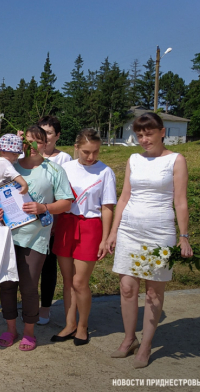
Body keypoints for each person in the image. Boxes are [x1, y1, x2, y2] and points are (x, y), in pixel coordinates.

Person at [106, 112, 192, 369]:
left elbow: (180, 201)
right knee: (127, 288)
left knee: (153, 291)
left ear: (162, 132)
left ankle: (146, 345)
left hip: (159, 232)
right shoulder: (133, 159)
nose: (144, 139)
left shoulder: (176, 160)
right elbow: (124, 197)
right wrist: (113, 232)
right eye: (140, 135)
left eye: (149, 133)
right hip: (129, 230)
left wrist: (184, 237)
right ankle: (129, 339)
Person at [0, 125, 73, 351]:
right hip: (7, 236)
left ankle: (29, 331)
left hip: (35, 238)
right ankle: (11, 329)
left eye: (39, 141)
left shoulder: (54, 170)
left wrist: (44, 207)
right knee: (7, 285)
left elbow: (66, 202)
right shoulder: (10, 165)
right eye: (29, 141)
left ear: (46, 143)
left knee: (28, 286)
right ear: (22, 143)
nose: (34, 146)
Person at [51, 129, 116, 346]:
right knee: (68, 280)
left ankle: (83, 326)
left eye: (95, 152)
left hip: (90, 226)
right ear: (76, 148)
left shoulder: (105, 172)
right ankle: (69, 324)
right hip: (65, 224)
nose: (91, 156)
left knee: (80, 282)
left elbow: (107, 207)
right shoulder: (66, 168)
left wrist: (105, 238)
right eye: (86, 152)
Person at [36, 115, 72, 325]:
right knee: (29, 267)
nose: (45, 137)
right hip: (29, 221)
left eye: (49, 133)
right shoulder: (28, 155)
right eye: (41, 132)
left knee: (48, 267)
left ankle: (45, 308)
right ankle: (30, 305)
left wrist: (55, 223)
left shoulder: (64, 159)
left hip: (52, 221)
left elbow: (64, 194)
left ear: (57, 135)